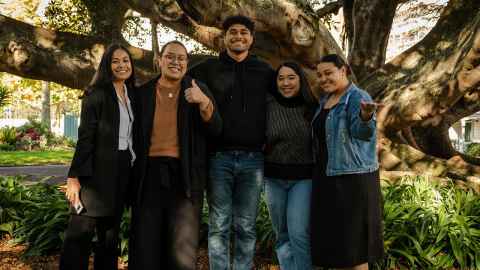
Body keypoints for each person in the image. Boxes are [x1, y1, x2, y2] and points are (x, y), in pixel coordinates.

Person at [189, 15, 275, 270]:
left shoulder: (265, 71)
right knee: (219, 225)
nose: (238, 36)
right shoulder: (207, 68)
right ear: (224, 37)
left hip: (254, 161)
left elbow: (289, 94)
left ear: (251, 38)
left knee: (246, 226)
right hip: (218, 158)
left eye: (244, 32)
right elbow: (177, 77)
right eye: (233, 32)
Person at [128, 40, 221, 270]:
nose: (175, 62)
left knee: (181, 251)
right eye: (170, 56)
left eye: (181, 58)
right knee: (145, 246)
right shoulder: (143, 93)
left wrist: (204, 103)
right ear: (159, 60)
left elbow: (216, 128)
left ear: (187, 63)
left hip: (185, 177)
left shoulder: (197, 89)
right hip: (148, 176)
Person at [60, 43, 137, 270]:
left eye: (126, 60)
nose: (122, 65)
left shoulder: (132, 93)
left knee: (110, 237)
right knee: (80, 235)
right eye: (116, 61)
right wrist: (73, 177)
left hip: (123, 170)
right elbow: (85, 137)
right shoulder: (96, 94)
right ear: (107, 65)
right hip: (95, 173)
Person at [310, 54, 384, 270]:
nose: (323, 79)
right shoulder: (325, 100)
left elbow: (363, 133)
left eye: (328, 73)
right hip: (327, 179)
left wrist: (366, 116)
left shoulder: (356, 97)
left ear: (343, 71)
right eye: (320, 75)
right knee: (338, 249)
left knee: (355, 250)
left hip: (353, 181)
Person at [264, 61, 317, 270]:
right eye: (281, 78)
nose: (285, 83)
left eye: (291, 78)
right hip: (273, 179)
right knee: (282, 235)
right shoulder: (268, 105)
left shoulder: (312, 107)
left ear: (300, 80)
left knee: (299, 233)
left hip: (302, 180)